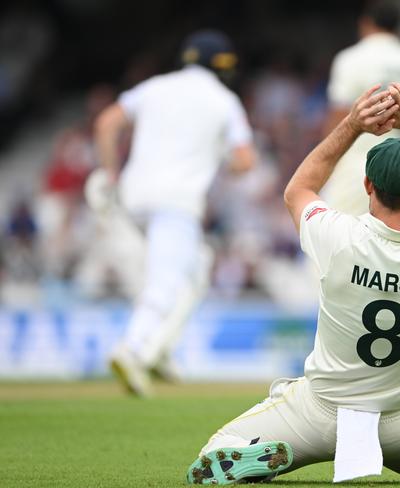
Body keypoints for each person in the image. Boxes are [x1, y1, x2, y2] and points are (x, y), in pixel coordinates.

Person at [186, 75, 400, 487]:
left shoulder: (339, 239)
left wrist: (352, 124)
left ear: (367, 185)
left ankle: (254, 454)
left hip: (319, 411)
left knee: (220, 446)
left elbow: (298, 189)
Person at [91, 30, 255, 396]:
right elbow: (245, 161)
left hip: (132, 196)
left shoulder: (154, 87)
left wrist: (109, 172)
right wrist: (217, 154)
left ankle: (160, 348)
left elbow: (106, 124)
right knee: (165, 282)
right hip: (177, 202)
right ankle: (132, 349)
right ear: (222, 67)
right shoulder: (224, 100)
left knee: (196, 265)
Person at [321, 1, 400, 216]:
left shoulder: (349, 58)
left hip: (354, 158)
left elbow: (338, 116)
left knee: (338, 232)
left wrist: (325, 160)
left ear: (366, 23)